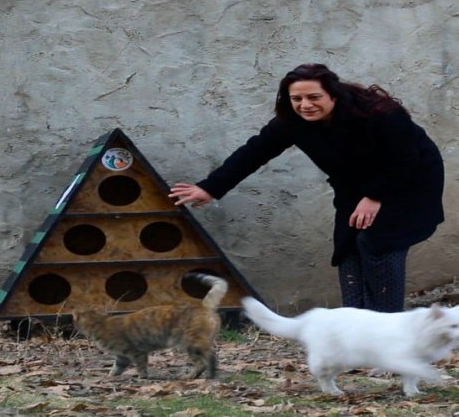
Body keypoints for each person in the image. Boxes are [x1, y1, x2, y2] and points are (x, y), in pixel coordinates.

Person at [168, 63, 444, 313]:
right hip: (355, 185)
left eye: (314, 97)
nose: (305, 105)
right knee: (348, 245)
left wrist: (375, 196)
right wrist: (210, 188)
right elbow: (254, 152)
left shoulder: (379, 114)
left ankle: (386, 326)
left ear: (333, 95)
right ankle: (356, 323)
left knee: (378, 241)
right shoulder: (292, 123)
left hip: (411, 181)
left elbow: (406, 157)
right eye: (296, 98)